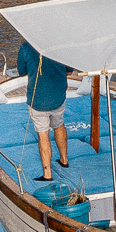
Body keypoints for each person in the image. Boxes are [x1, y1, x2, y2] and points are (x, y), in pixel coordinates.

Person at [16, 39, 73, 181]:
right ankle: (64, 160)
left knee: (43, 135)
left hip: (38, 100)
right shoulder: (61, 44)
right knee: (59, 125)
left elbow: (21, 71)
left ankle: (47, 174)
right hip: (58, 96)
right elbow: (70, 71)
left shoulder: (26, 47)